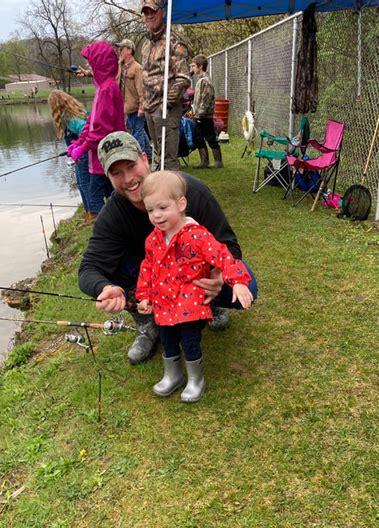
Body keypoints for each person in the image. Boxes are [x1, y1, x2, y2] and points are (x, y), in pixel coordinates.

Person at [78, 131, 258, 365]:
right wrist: (106, 287)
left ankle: (209, 304)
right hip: (154, 280)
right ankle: (147, 321)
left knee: (249, 286)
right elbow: (88, 269)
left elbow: (229, 244)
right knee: (110, 269)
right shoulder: (112, 214)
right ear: (108, 177)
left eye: (132, 166)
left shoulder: (189, 190)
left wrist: (218, 276)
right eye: (117, 173)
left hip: (195, 275)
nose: (129, 178)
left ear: (145, 159)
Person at [136, 171, 253, 402]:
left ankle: (195, 379)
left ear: (181, 204)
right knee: (168, 339)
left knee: (190, 341)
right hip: (163, 303)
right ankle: (173, 375)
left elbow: (223, 256)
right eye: (150, 210)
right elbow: (147, 268)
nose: (156, 216)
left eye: (162, 207)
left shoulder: (197, 236)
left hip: (190, 303)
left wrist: (238, 281)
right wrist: (144, 296)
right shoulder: (153, 239)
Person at [67, 41, 125, 219]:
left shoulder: (108, 89)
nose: (88, 65)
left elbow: (102, 129)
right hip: (99, 156)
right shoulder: (101, 88)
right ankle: (117, 227)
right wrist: (78, 142)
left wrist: (83, 148)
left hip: (107, 154)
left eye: (90, 61)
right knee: (112, 195)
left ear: (99, 62)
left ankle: (107, 232)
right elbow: (91, 122)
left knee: (95, 199)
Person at [140, 0, 191, 170]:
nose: (149, 16)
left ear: (162, 12)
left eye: (153, 11)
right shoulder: (146, 45)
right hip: (149, 109)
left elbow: (183, 77)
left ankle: (176, 195)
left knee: (169, 161)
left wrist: (166, 104)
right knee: (159, 158)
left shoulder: (174, 42)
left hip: (165, 111)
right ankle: (162, 194)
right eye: (146, 12)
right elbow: (145, 76)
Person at [48, 90, 91, 222]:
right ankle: (87, 210)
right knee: (80, 182)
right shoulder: (70, 116)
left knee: (84, 182)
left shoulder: (70, 119)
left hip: (83, 154)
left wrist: (78, 148)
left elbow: (86, 131)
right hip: (79, 155)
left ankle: (93, 213)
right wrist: (72, 149)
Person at [116, 38, 153, 162]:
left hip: (136, 107)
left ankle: (140, 161)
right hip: (127, 107)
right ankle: (150, 156)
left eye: (122, 49)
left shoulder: (137, 68)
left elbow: (142, 89)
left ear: (129, 50)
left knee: (137, 134)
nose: (119, 51)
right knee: (140, 131)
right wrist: (88, 73)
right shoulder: (121, 67)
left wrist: (142, 107)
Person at [190, 54, 223, 169]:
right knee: (198, 138)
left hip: (204, 116)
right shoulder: (199, 80)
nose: (192, 68)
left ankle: (218, 161)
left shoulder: (206, 81)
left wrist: (200, 114)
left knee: (210, 137)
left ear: (200, 66)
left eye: (194, 66)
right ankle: (204, 161)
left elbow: (206, 99)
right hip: (199, 115)